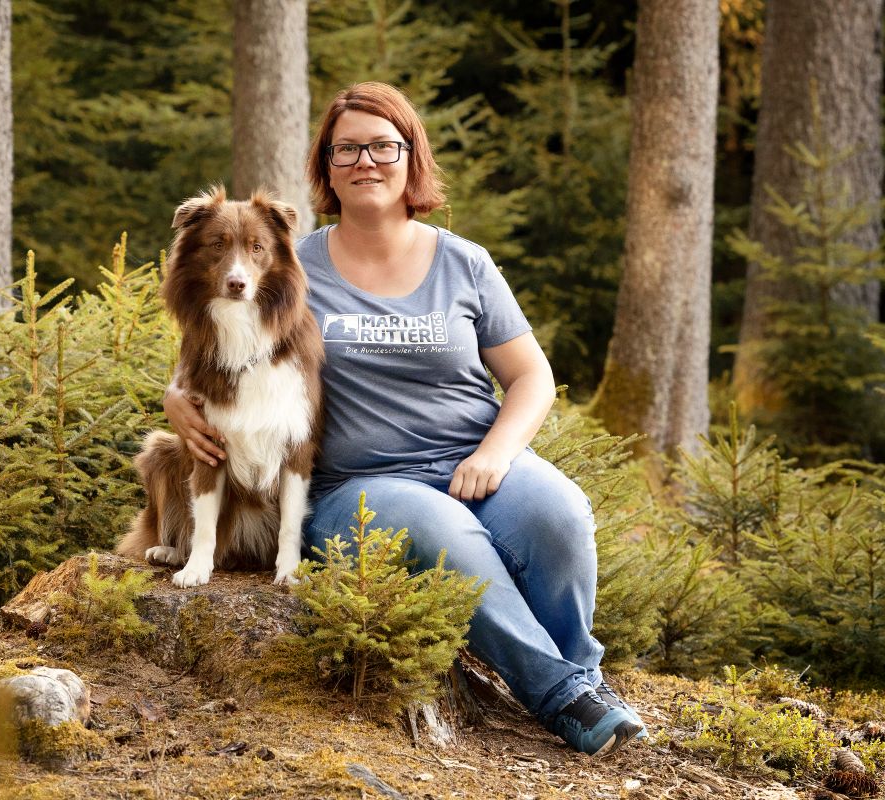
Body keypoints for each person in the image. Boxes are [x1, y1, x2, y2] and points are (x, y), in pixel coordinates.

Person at [164, 81, 646, 756]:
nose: (367, 161)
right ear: (326, 167)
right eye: (348, 148)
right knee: (439, 531)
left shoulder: (463, 262)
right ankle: (561, 696)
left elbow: (532, 376)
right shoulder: (293, 264)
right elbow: (215, 340)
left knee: (559, 512)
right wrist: (174, 398)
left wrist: (497, 455)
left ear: (410, 157)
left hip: (475, 460)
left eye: (384, 146)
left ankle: (585, 679)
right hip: (360, 486)